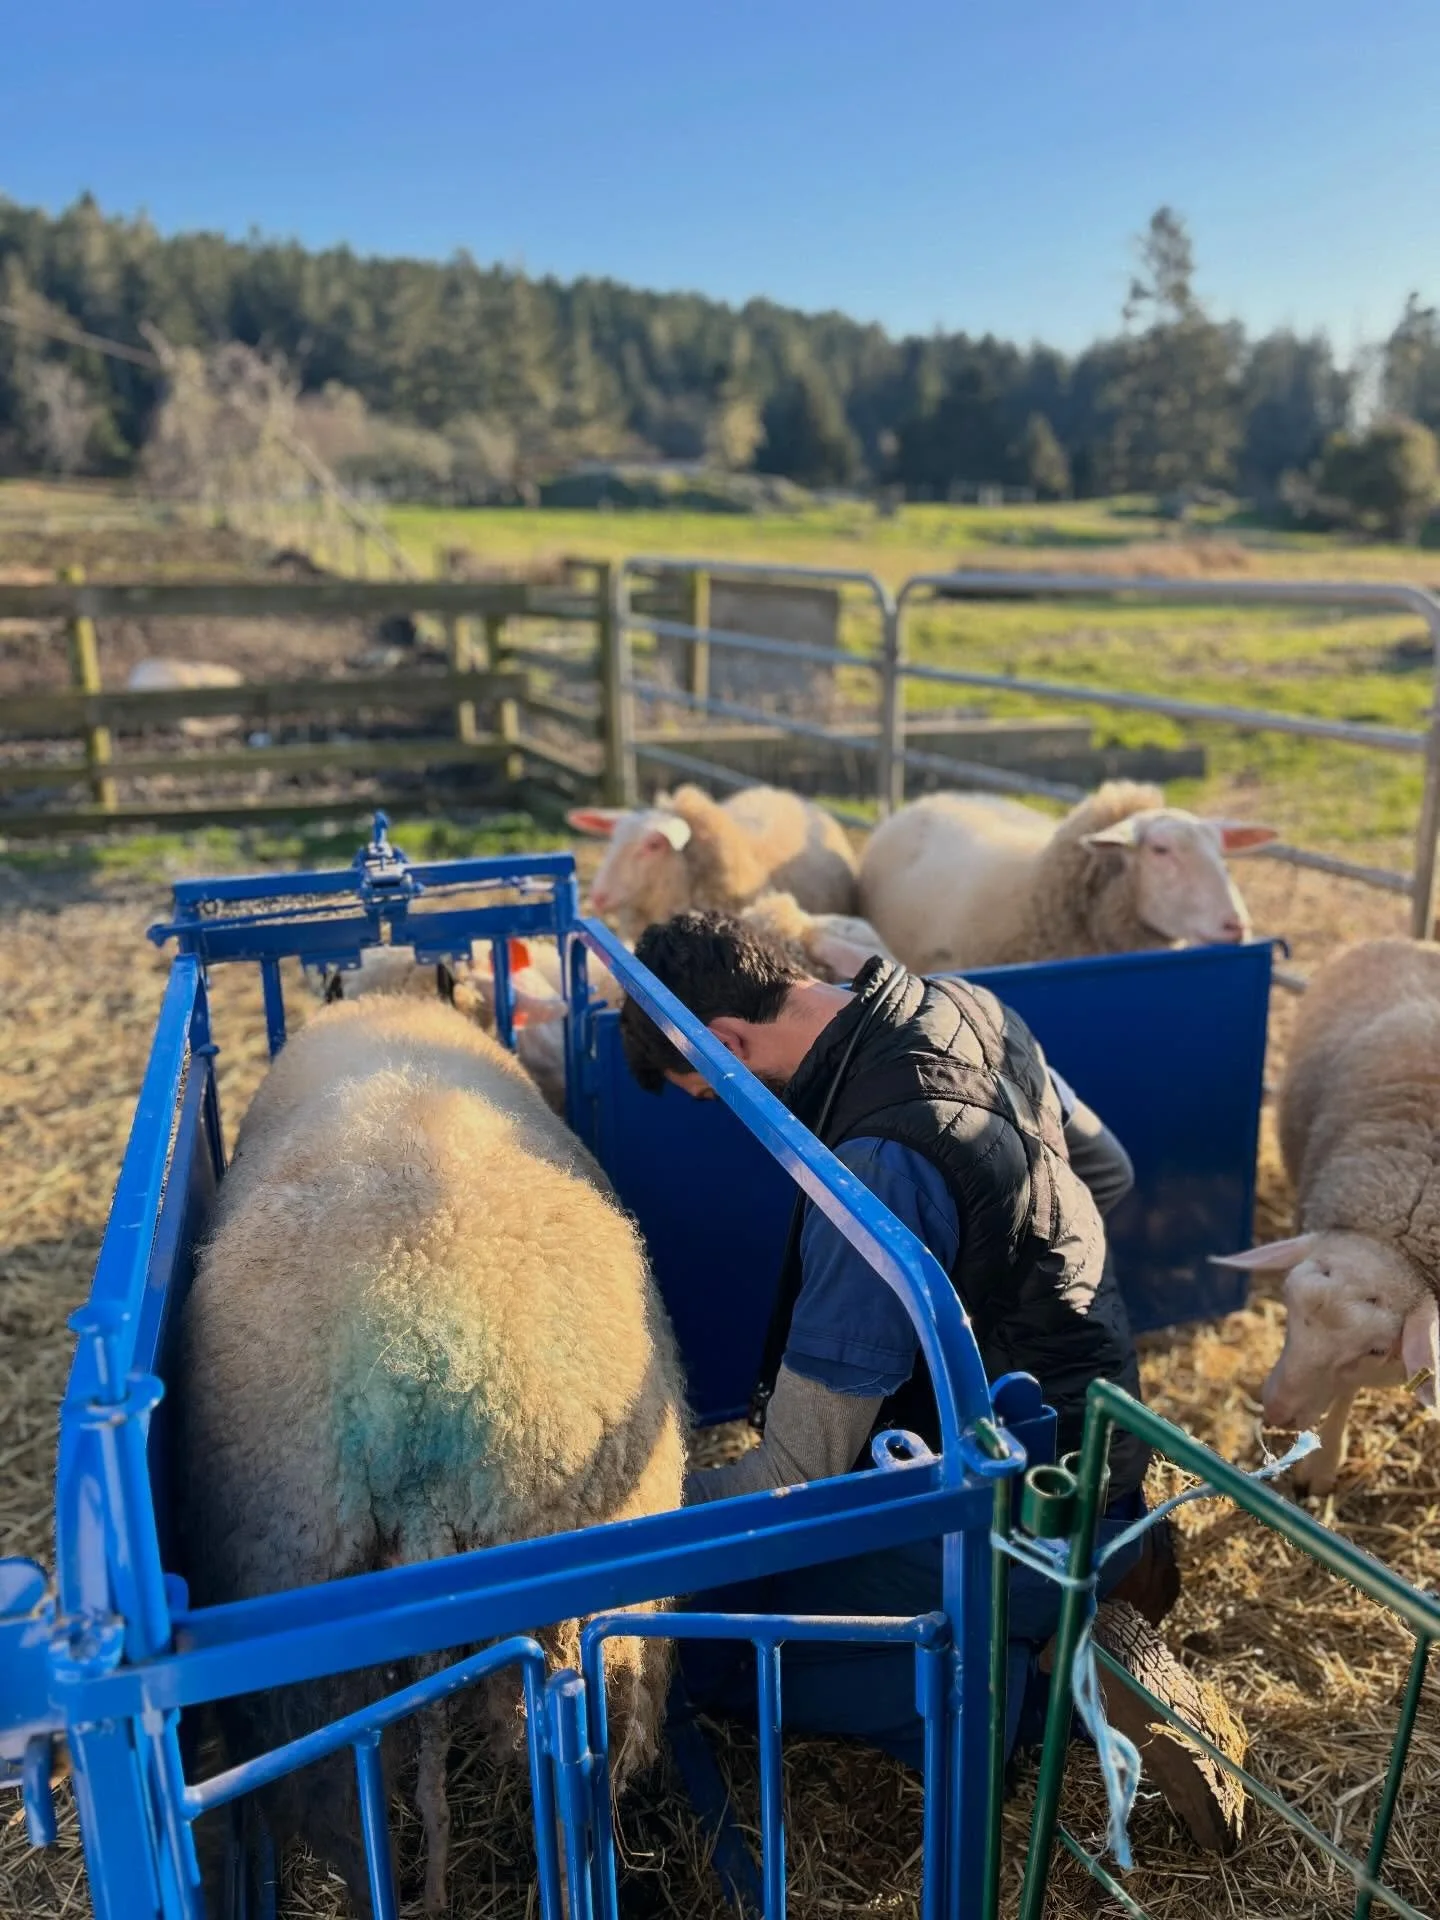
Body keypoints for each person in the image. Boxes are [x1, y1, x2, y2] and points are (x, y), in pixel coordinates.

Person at [618, 910, 1244, 1852]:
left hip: (1010, 1516)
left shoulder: (875, 1162)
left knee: (696, 1638)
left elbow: (797, 1470)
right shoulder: (966, 1005)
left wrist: (625, 1530)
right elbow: (1104, 1175)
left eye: (711, 1090)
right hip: (1096, 1460)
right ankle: (1091, 1583)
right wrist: (995, 1296)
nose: (726, 1111)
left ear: (732, 1040)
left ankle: (1054, 1687)